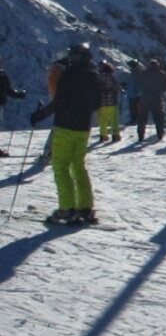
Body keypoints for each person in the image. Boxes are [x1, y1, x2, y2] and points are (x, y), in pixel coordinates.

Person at [31, 43, 101, 226]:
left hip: (65, 125)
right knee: (78, 165)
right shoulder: (94, 76)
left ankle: (67, 209)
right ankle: (85, 208)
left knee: (61, 166)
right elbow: (97, 104)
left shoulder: (68, 75)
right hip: (84, 127)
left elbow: (59, 101)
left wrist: (40, 115)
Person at [138, 58, 166, 143]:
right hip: (157, 98)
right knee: (158, 116)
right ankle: (160, 133)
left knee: (142, 117)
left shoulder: (144, 73)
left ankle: (140, 134)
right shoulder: (161, 74)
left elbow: (139, 83)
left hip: (145, 98)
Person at [0, 56, 28, 137]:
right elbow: (9, 91)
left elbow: (9, 91)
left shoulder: (3, 76)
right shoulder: (3, 77)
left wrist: (19, 95)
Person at [96, 62, 122, 143]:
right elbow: (117, 87)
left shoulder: (97, 77)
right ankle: (115, 135)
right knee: (114, 120)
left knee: (102, 120)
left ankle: (103, 136)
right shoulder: (111, 77)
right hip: (112, 102)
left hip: (101, 103)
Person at [123, 59, 142, 127]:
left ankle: (135, 119)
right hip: (133, 93)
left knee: (134, 107)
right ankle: (135, 119)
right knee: (133, 107)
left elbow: (137, 83)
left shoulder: (136, 72)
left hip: (135, 93)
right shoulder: (135, 72)